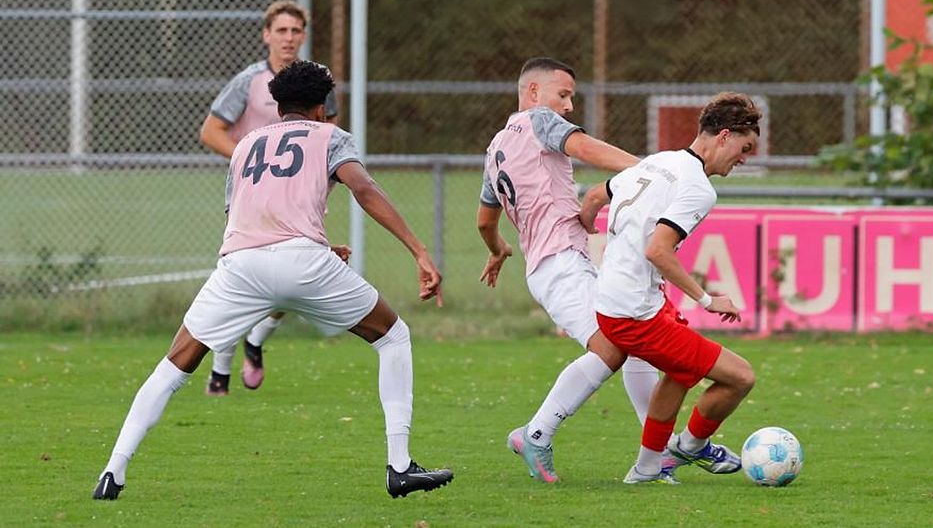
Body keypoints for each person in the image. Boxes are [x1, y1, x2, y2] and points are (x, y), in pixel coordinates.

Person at [93, 61, 453, 500]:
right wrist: (418, 250)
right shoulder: (331, 137)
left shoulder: (245, 145)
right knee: (393, 337)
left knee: (174, 364)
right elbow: (364, 188)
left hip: (242, 265)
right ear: (321, 108)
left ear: (279, 105)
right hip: (304, 263)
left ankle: (113, 471)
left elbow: (241, 218)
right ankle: (400, 466)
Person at [477, 57, 661, 484]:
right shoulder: (538, 120)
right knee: (612, 346)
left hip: (555, 262)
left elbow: (485, 221)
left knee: (634, 339)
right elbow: (585, 148)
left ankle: (658, 451)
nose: (569, 107)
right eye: (564, 95)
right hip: (559, 265)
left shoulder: (495, 148)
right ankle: (536, 433)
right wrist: (652, 169)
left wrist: (498, 248)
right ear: (534, 93)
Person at [580, 91, 760, 484]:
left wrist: (589, 230)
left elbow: (594, 196)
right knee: (741, 377)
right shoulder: (698, 188)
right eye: (745, 148)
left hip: (613, 299)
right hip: (635, 313)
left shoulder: (660, 160)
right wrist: (708, 299)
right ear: (725, 136)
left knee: (680, 371)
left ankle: (648, 467)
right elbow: (658, 251)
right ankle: (689, 447)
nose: (744, 158)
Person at [199, 0, 339, 395]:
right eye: (281, 30)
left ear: (304, 36)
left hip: (297, 204)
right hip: (251, 202)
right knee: (236, 279)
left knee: (286, 288)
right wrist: (251, 161)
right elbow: (210, 131)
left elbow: (327, 140)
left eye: (296, 31)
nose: (289, 38)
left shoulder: (317, 83)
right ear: (266, 35)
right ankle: (221, 372)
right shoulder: (249, 81)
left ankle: (256, 342)